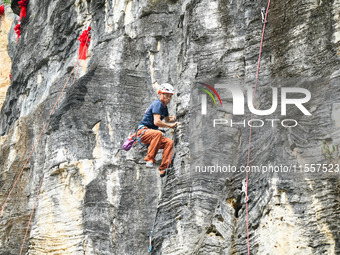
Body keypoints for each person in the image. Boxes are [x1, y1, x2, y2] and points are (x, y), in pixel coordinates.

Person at [137, 83, 177, 177]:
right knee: (158, 133)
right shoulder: (157, 103)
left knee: (169, 142)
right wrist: (170, 126)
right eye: (167, 95)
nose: (169, 98)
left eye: (170, 96)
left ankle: (164, 168)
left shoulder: (164, 107)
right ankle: (149, 159)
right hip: (144, 132)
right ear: (160, 94)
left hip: (153, 135)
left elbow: (167, 119)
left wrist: (177, 117)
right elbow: (157, 122)